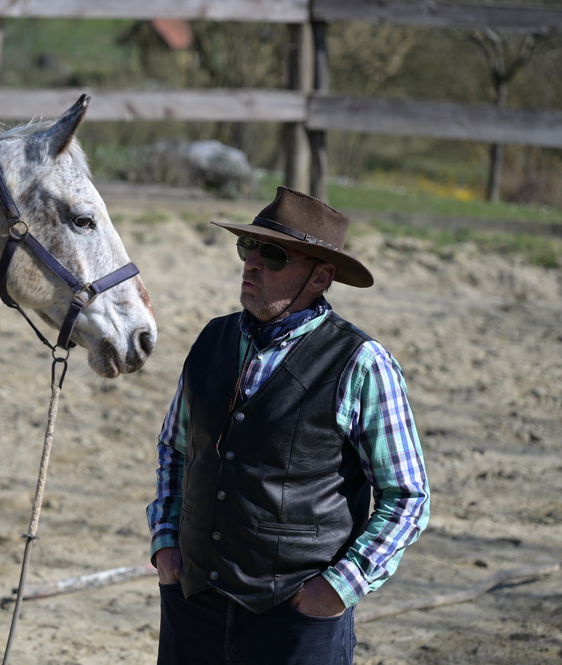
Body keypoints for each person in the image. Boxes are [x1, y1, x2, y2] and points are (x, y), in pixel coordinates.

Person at [146, 186, 430, 665]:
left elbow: (407, 495)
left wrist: (339, 588)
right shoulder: (212, 339)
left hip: (297, 622)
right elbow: (175, 449)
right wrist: (166, 544)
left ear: (320, 277)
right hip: (192, 606)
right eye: (248, 247)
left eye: (274, 255)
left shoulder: (362, 363)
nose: (252, 264)